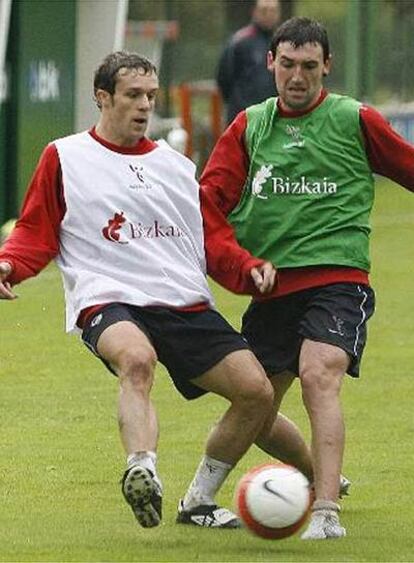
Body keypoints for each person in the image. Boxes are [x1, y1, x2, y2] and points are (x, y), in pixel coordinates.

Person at [0, 51, 315, 530]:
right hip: (108, 297)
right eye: (132, 95)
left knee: (254, 393)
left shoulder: (175, 166)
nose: (144, 105)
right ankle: (142, 467)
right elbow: (34, 231)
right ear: (102, 98)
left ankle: (206, 501)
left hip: (182, 302)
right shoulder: (65, 156)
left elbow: (212, 239)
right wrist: (9, 265)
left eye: (150, 95)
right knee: (136, 360)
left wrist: (248, 269)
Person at [200, 16, 414, 540]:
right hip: (272, 287)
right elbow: (207, 206)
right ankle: (203, 496)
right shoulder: (249, 126)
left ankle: (324, 513)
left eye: (310, 66)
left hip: (339, 278)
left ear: (327, 67)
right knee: (255, 403)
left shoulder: (354, 118)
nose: (298, 77)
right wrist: (240, 264)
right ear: (271, 62)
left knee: (320, 375)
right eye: (288, 65)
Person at [217, 0, 280, 124]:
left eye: (273, 10)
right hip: (243, 118)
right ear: (254, 12)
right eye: (264, 10)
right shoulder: (239, 41)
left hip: (274, 119)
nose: (268, 15)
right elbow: (224, 78)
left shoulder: (283, 42)